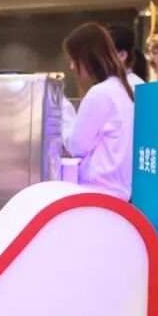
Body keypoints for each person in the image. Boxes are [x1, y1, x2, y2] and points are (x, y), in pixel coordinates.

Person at [60, 22, 137, 200]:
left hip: (98, 192)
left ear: (86, 59)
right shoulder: (121, 89)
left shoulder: (101, 93)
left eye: (74, 60)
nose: (72, 67)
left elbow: (76, 146)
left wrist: (63, 111)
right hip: (118, 193)